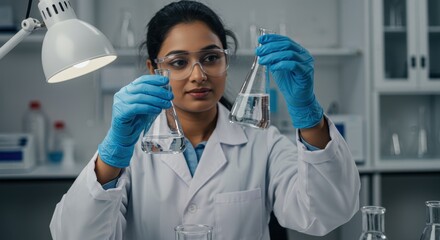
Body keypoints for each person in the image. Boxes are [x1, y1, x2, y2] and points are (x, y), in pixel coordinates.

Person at [50, 1, 360, 239]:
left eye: (211, 58)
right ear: (152, 68)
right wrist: (112, 154)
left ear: (226, 61)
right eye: (179, 62)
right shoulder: (131, 149)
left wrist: (309, 114)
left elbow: (326, 212)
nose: (199, 75)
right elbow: (74, 235)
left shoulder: (262, 142)